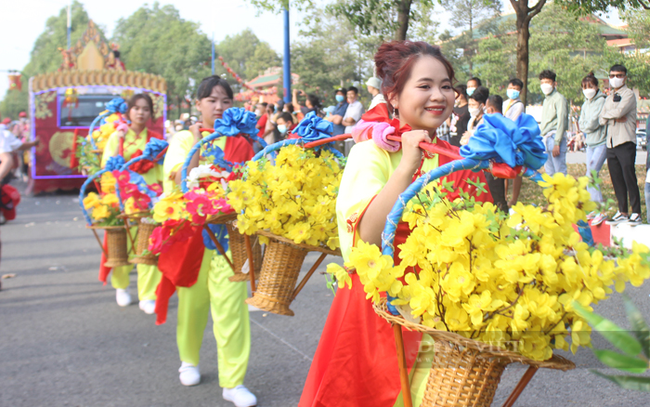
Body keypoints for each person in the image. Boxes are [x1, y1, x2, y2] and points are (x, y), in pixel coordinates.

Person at [299, 40, 492, 407]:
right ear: (393, 95)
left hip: (440, 316)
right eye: (424, 86)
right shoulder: (370, 154)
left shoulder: (457, 160)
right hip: (378, 317)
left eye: (447, 86)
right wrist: (406, 165)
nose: (438, 95)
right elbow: (367, 237)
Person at [161, 76, 256, 407]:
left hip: (229, 239)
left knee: (231, 309)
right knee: (192, 306)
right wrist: (201, 145)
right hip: (192, 239)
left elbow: (251, 182)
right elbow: (176, 177)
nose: (218, 107)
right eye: (212, 100)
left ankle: (233, 381)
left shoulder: (240, 142)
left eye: (226, 101)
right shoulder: (185, 138)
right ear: (198, 104)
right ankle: (189, 360)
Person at [101, 93, 164, 313]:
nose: (141, 112)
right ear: (129, 111)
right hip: (124, 196)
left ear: (151, 113)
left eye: (146, 109)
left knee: (148, 245)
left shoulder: (156, 138)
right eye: (136, 108)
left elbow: (161, 169)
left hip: (150, 198)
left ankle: (148, 294)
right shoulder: (117, 137)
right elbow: (107, 167)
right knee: (123, 245)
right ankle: (121, 285)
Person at [599, 64, 641, 225]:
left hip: (625, 141)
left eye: (619, 75)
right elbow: (601, 118)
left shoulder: (629, 95)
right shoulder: (609, 97)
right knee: (616, 178)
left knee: (629, 176)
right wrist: (612, 117)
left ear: (625, 77)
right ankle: (622, 211)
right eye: (612, 75)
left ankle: (636, 212)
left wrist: (611, 116)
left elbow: (619, 112)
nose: (615, 78)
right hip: (611, 143)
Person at [578, 72, 607, 226]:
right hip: (590, 143)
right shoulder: (585, 104)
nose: (587, 89)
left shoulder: (602, 101)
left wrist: (586, 126)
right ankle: (593, 209)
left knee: (592, 173)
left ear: (596, 87)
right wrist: (585, 126)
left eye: (590, 86)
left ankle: (601, 210)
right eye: (584, 87)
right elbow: (581, 122)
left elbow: (593, 123)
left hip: (601, 143)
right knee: (589, 175)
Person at [539, 69, 569, 176]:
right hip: (546, 139)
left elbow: (562, 120)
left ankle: (563, 193)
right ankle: (553, 193)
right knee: (550, 173)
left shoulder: (559, 99)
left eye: (547, 82)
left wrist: (557, 143)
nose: (545, 85)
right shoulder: (546, 100)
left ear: (554, 83)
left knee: (560, 172)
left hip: (555, 137)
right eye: (542, 83)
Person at [483, 95, 509, 212]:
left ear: (491, 110)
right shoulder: (507, 122)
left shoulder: (494, 124)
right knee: (498, 195)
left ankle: (500, 222)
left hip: (494, 164)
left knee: (495, 197)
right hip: (501, 165)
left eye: (486, 109)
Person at [502, 78, 525, 206]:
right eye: (511, 88)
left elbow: (513, 121)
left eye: (516, 89)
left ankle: (514, 198)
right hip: (504, 139)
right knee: (504, 168)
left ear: (520, 91)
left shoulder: (519, 105)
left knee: (516, 169)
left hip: (514, 139)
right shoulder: (504, 103)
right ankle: (504, 196)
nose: (513, 91)